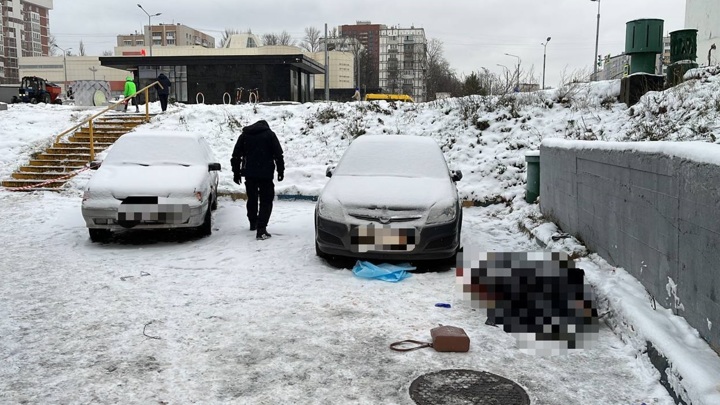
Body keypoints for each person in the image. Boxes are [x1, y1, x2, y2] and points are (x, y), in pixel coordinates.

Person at [230, 120, 285, 240]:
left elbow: (236, 155)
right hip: (266, 174)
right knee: (266, 200)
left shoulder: (245, 135)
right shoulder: (270, 135)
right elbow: (278, 155)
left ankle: (253, 222)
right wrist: (280, 171)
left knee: (252, 198)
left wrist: (236, 173)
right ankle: (261, 229)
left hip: (249, 174)